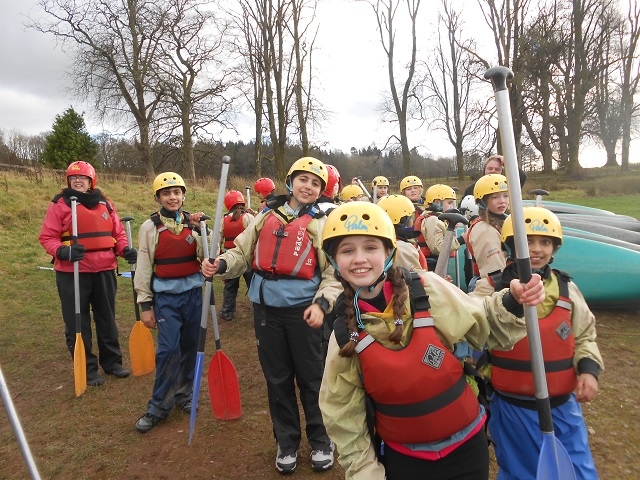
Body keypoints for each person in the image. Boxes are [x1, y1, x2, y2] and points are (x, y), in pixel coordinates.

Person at [317, 202, 545, 480]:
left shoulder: (426, 288)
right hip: (406, 459)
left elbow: (482, 321)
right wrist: (365, 470)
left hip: (466, 448)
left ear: (389, 252)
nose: (360, 258)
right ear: (333, 261)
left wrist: (513, 300)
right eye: (347, 251)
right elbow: (342, 415)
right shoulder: (344, 335)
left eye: (370, 248)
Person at [201, 157, 341, 474]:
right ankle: (287, 442)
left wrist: (322, 304)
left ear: (321, 191)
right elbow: (241, 253)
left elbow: (334, 274)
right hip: (266, 311)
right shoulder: (265, 216)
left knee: (312, 378)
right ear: (290, 182)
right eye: (303, 179)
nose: (308, 186)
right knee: (277, 380)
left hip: (306, 312)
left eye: (315, 183)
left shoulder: (322, 223)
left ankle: (321, 439)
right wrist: (221, 264)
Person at [475, 207, 603, 480]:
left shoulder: (566, 288)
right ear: (511, 245)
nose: (535, 249)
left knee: (579, 471)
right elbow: (473, 327)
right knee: (521, 473)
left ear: (554, 247)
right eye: (527, 241)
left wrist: (589, 370)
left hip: (563, 405)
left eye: (544, 242)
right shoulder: (489, 288)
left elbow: (585, 335)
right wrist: (509, 302)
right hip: (512, 407)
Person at [39, 160, 135, 387]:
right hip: (72, 270)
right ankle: (87, 369)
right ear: (68, 181)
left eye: (82, 177)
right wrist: (63, 250)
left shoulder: (106, 204)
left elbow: (118, 234)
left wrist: (125, 250)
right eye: (73, 178)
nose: (78, 181)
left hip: (104, 268)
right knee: (77, 322)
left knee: (107, 317)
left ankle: (112, 363)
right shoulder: (60, 204)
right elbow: (47, 237)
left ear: (91, 181)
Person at [133, 172, 208, 433]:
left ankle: (184, 395)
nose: (172, 197)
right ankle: (158, 407)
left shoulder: (195, 223)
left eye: (177, 192)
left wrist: (202, 230)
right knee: (168, 350)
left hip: (193, 296)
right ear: (157, 198)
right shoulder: (149, 227)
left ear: (183, 195)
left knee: (190, 347)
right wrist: (145, 305)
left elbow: (209, 256)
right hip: (166, 299)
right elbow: (143, 268)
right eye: (166, 193)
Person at [466, 174, 510, 290]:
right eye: (495, 197)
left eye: (505, 196)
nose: (502, 201)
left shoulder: (504, 221)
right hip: (492, 287)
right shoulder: (484, 230)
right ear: (483, 201)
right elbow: (495, 272)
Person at [219, 190, 254, 321]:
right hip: (247, 258)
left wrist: (221, 257)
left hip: (231, 259)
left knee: (230, 287)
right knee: (253, 285)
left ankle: (227, 311)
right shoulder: (248, 218)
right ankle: (258, 310)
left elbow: (217, 242)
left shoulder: (223, 220)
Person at [377, 194, 430, 274]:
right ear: (403, 221)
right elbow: (419, 278)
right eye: (410, 216)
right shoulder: (403, 248)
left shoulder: (381, 243)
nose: (413, 220)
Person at [415, 184, 462, 271]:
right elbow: (438, 247)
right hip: (431, 264)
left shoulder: (434, 218)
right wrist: (461, 240)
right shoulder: (432, 219)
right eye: (449, 203)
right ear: (437, 202)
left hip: (433, 261)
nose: (451, 206)